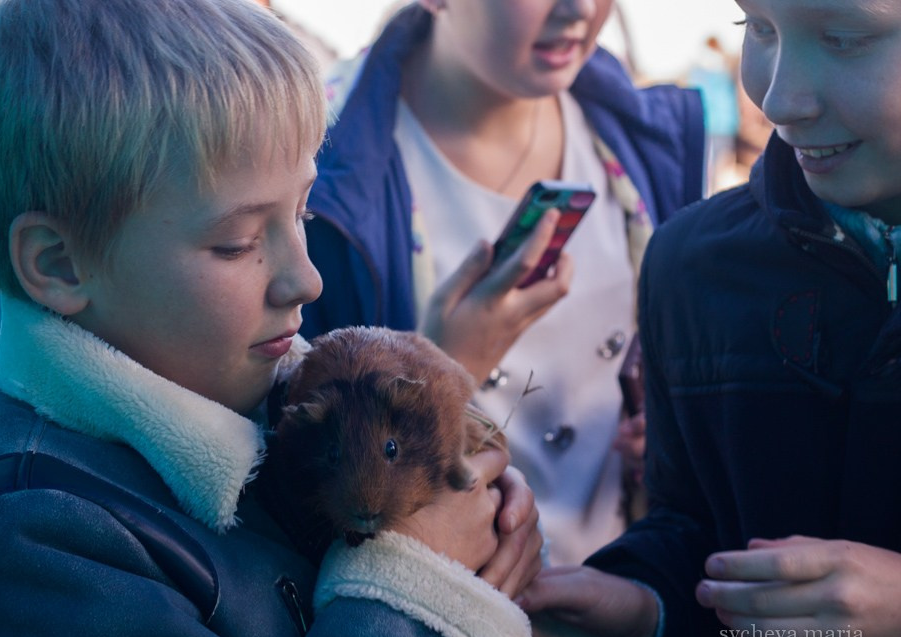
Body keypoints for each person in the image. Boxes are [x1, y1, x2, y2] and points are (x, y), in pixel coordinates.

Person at [0, 0, 546, 637]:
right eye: (238, 241)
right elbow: (396, 601)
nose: (306, 279)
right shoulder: (37, 536)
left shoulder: (267, 397)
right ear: (59, 263)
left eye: (303, 210)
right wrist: (418, 594)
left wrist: (474, 542)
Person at [518, 0, 901, 637]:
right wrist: (649, 608)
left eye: (843, 38)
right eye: (759, 28)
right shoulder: (690, 266)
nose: (779, 100)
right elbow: (693, 522)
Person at [301, 0, 705, 567]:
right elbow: (291, 478)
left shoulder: (653, 139)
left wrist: (673, 435)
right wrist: (443, 365)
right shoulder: (311, 155)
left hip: (631, 601)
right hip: (442, 622)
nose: (581, 9)